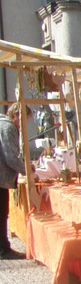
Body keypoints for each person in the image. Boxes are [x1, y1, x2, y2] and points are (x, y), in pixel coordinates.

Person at [0, 103, 26, 259]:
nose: (23, 125)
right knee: (2, 214)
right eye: (23, 119)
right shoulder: (8, 127)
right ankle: (3, 250)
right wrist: (26, 170)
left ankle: (3, 247)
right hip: (1, 177)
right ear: (16, 115)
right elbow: (10, 156)